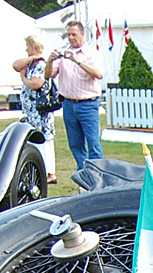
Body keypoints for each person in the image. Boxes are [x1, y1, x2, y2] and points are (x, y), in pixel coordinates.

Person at [45, 21, 103, 171]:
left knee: (93, 143)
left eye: (74, 34)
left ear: (82, 35)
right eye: (69, 34)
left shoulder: (91, 53)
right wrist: (50, 60)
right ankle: (83, 173)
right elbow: (49, 75)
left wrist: (77, 61)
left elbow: (98, 74)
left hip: (87, 104)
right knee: (75, 143)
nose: (71, 38)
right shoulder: (64, 53)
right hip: (69, 104)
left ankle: (97, 174)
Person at [12, 35, 57, 184]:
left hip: (40, 111)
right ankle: (40, 168)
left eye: (28, 46)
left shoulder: (41, 66)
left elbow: (35, 84)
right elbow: (15, 65)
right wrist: (31, 58)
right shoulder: (31, 63)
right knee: (34, 139)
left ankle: (49, 171)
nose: (26, 49)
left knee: (44, 139)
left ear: (33, 46)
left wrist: (23, 79)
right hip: (31, 112)